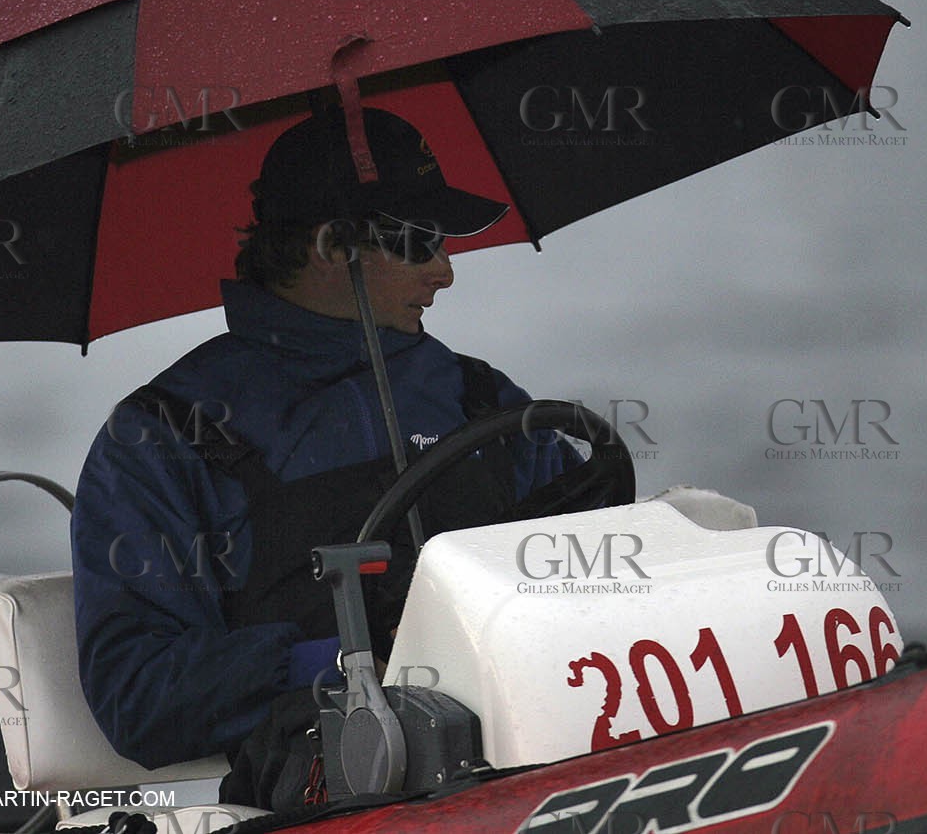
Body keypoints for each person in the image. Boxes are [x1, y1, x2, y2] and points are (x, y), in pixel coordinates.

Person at [70, 106, 578, 810]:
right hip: (332, 798)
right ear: (332, 246)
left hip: (552, 760)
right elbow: (137, 694)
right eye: (420, 240)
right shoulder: (161, 437)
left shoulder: (483, 397)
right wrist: (340, 664)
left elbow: (596, 584)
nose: (445, 270)